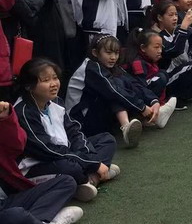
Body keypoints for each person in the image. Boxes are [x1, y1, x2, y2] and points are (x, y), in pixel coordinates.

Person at [14, 57, 118, 201]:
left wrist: (89, 159)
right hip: (37, 164)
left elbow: (74, 132)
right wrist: (91, 163)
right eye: (46, 80)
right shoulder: (23, 112)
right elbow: (47, 150)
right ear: (29, 86)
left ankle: (89, 180)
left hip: (65, 154)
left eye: (55, 78)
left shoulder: (56, 101)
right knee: (71, 168)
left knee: (106, 140)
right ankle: (92, 177)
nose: (53, 84)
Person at [0, 101, 83, 224]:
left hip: (7, 201)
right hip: (9, 214)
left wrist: (6, 118)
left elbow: (17, 145)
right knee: (17, 216)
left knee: (66, 182)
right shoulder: (25, 108)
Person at [66, 34, 156, 146]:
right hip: (80, 123)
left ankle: (154, 115)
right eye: (108, 53)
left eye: (116, 53)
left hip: (95, 117)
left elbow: (133, 83)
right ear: (95, 53)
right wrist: (141, 107)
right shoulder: (91, 68)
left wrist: (153, 100)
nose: (113, 57)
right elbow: (114, 91)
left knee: (123, 84)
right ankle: (126, 127)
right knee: (113, 91)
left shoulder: (110, 66)